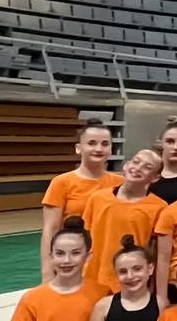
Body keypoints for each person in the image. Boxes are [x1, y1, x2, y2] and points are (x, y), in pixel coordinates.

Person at [40, 119, 120, 281]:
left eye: (105, 144)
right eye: (92, 143)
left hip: (109, 262)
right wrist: (47, 270)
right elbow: (50, 229)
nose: (99, 149)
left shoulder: (121, 183)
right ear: (78, 148)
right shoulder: (61, 183)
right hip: (73, 263)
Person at [81, 147, 166, 293]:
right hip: (93, 277)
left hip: (131, 281)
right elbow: (83, 238)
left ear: (155, 177)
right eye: (136, 162)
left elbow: (157, 253)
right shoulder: (98, 198)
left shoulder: (159, 207)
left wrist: (154, 289)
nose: (138, 168)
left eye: (147, 167)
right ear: (126, 165)